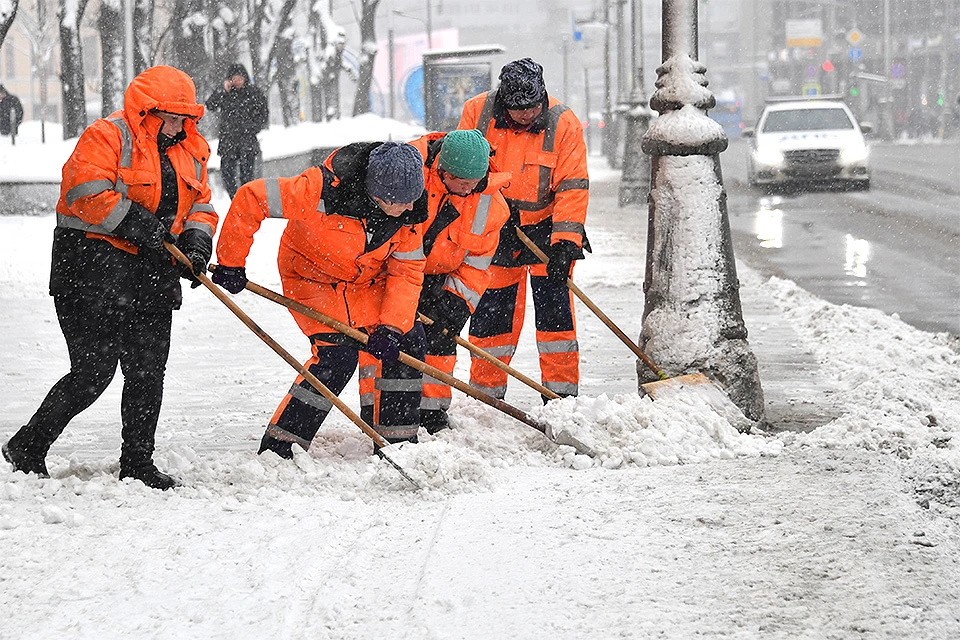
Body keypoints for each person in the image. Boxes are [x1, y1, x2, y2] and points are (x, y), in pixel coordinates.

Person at [1, 66, 218, 490]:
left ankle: (138, 462)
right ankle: (28, 446)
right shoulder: (107, 136)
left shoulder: (191, 150)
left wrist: (194, 244)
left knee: (147, 371)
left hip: (152, 272)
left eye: (185, 117)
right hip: (90, 269)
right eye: (172, 117)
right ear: (147, 112)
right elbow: (84, 192)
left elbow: (202, 205)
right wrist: (145, 226)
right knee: (93, 370)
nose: (180, 125)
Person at [212, 141, 427, 457]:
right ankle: (282, 445)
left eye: (414, 200)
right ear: (378, 194)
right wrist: (231, 261)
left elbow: (406, 272)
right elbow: (251, 197)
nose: (411, 209)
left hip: (363, 282)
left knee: (407, 340)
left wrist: (391, 328)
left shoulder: (409, 210)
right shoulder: (317, 190)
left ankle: (398, 439)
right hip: (312, 279)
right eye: (403, 203)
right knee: (337, 357)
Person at [357, 129, 511, 434]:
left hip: (442, 279)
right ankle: (374, 408)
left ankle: (432, 412)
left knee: (441, 338)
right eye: (459, 181)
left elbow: (477, 264)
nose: (466, 189)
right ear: (441, 168)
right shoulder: (411, 173)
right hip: (394, 271)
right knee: (386, 338)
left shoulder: (492, 207)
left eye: (472, 183)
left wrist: (457, 303)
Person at [457, 58, 590, 401]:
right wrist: (499, 209)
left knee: (555, 318)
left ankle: (561, 397)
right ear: (504, 99)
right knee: (492, 318)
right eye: (518, 110)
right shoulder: (477, 113)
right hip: (496, 232)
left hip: (547, 230)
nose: (526, 115)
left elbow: (572, 186)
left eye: (532, 107)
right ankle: (486, 396)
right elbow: (467, 170)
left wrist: (566, 243)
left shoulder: (564, 123)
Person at [205, 63, 269, 198]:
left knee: (247, 175)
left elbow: (263, 114)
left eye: (240, 78)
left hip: (247, 140)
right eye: (234, 79)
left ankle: (246, 201)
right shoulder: (226, 94)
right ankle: (235, 199)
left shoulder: (254, 93)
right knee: (227, 174)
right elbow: (210, 105)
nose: (238, 81)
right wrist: (222, 90)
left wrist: (251, 128)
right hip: (228, 141)